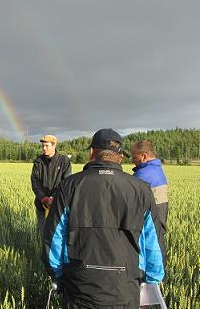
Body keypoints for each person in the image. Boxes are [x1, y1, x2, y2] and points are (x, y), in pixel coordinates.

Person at [42, 128, 165, 308]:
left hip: (79, 289)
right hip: (126, 291)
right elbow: (153, 244)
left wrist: (60, 276)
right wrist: (151, 282)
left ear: (92, 153)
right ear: (120, 157)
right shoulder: (141, 189)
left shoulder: (69, 186)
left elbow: (53, 239)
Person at [132, 139, 168, 268]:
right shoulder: (157, 171)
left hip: (148, 239)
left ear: (144, 156)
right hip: (158, 234)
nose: (131, 160)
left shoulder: (142, 176)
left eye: (134, 156)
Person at [31, 134, 71, 233]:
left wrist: (53, 197)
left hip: (57, 205)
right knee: (42, 232)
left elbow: (66, 182)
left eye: (47, 146)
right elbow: (34, 181)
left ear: (54, 145)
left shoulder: (64, 161)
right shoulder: (38, 161)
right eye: (43, 146)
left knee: (56, 234)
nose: (44, 148)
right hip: (41, 204)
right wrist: (42, 197)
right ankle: (41, 248)